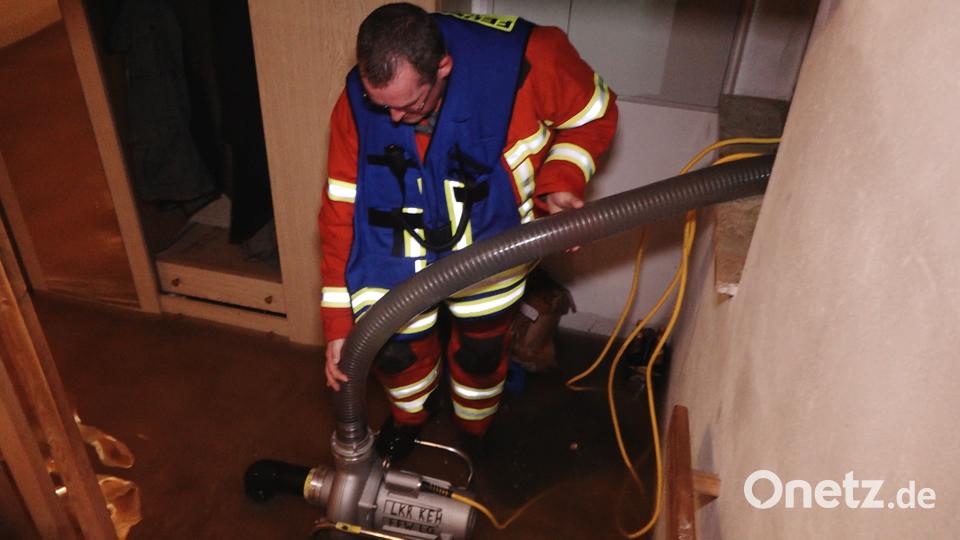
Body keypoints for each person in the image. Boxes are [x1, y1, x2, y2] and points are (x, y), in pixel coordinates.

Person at [319, 3, 618, 456]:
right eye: (382, 106)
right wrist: (340, 325)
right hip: (394, 256)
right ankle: (410, 419)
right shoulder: (356, 106)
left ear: (443, 67)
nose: (394, 121)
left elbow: (593, 115)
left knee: (480, 354)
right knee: (396, 353)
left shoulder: (531, 60)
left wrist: (562, 182)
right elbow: (340, 211)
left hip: (491, 250)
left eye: (410, 105)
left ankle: (476, 430)